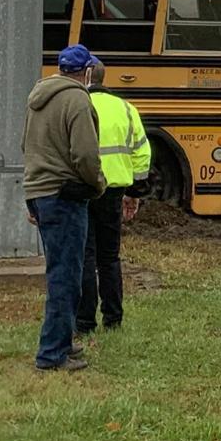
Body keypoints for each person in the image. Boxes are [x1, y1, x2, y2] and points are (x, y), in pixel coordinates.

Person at [23, 44, 107, 372]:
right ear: (86, 71)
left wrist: (32, 196)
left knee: (61, 271)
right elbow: (85, 154)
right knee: (66, 276)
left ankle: (62, 341)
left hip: (40, 191)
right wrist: (97, 184)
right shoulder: (77, 99)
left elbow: (25, 145)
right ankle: (51, 354)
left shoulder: (37, 97)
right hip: (65, 196)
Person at [77, 60, 152, 337]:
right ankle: (113, 319)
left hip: (83, 189)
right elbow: (142, 154)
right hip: (114, 192)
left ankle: (84, 322)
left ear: (85, 77)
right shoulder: (126, 108)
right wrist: (134, 194)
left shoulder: (77, 106)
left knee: (85, 256)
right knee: (109, 257)